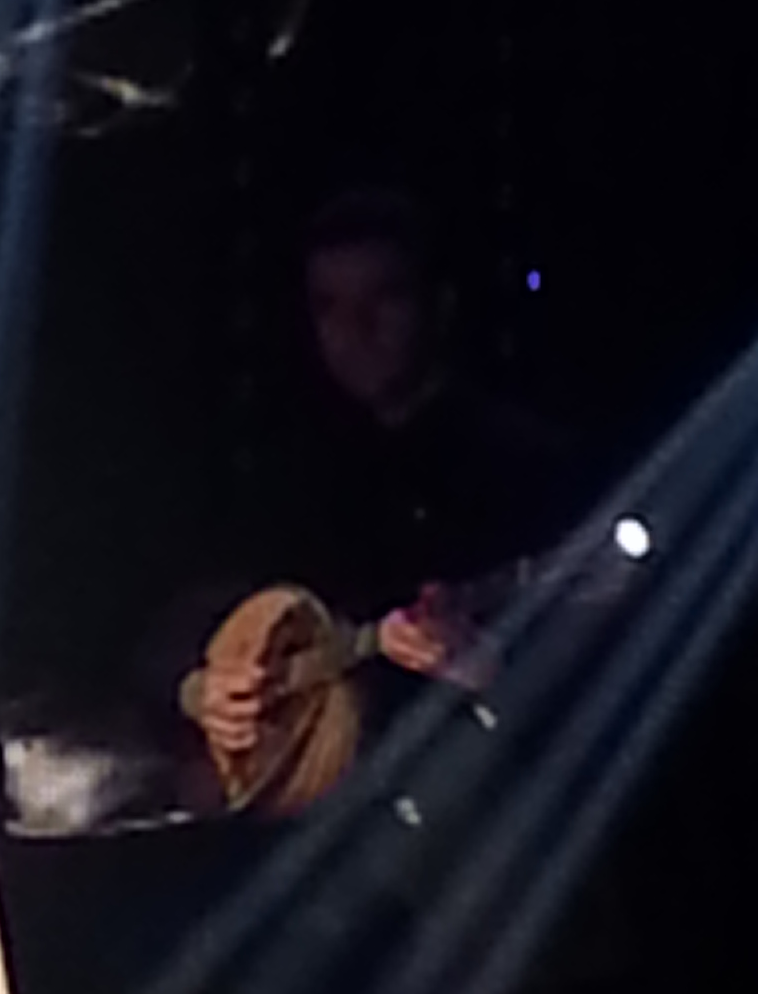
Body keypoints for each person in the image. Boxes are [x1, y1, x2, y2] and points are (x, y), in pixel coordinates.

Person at [179, 188, 582, 791]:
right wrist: (203, 691)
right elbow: (185, 621)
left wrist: (490, 671)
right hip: (318, 809)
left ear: (439, 306)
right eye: (329, 307)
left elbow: (591, 684)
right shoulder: (300, 468)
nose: (354, 330)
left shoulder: (528, 465)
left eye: (384, 299)